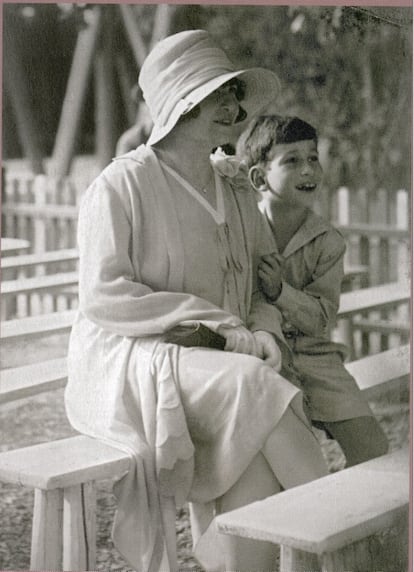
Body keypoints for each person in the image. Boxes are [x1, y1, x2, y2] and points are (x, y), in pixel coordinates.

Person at [65, 32, 328, 572]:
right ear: (180, 105)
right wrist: (228, 329)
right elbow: (102, 296)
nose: (233, 109)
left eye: (234, 95)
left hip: (217, 358)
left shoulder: (234, 188)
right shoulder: (122, 185)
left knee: (254, 451)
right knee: (259, 389)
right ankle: (344, 534)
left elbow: (258, 285)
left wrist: (264, 334)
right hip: (132, 357)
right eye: (217, 97)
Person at [238, 114, 389, 469]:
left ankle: (349, 516)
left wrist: (280, 292)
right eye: (292, 161)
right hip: (261, 357)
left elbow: (322, 319)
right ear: (259, 178)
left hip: (316, 357)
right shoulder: (242, 232)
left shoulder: (328, 242)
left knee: (373, 448)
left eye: (313, 158)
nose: (308, 170)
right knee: (290, 465)